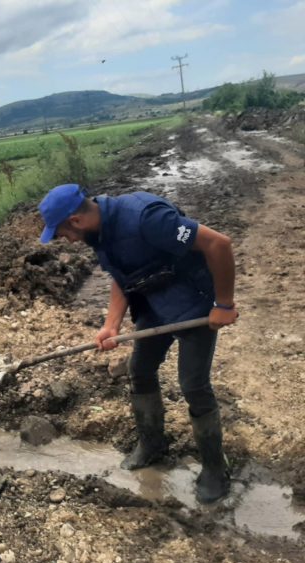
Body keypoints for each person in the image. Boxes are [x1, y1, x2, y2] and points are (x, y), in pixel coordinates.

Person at [38, 183, 238, 504]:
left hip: (196, 304)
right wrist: (111, 324)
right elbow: (122, 276)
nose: (69, 241)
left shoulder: (147, 219)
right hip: (155, 303)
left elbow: (218, 243)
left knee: (193, 385)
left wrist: (224, 304)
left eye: (63, 234)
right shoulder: (99, 232)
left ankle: (215, 467)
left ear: (75, 221)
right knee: (140, 369)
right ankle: (152, 443)